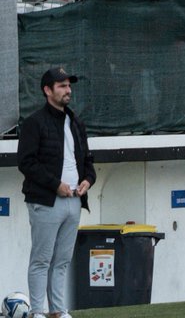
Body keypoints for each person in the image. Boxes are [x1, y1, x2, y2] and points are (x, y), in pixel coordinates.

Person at [17, 66, 96, 318]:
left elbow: (88, 161)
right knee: (41, 259)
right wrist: (56, 185)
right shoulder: (33, 123)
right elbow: (26, 163)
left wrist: (88, 180)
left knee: (62, 260)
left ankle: (58, 311)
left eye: (69, 85)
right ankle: (38, 312)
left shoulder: (76, 122)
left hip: (74, 201)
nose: (68, 90)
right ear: (47, 90)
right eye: (62, 86)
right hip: (46, 201)